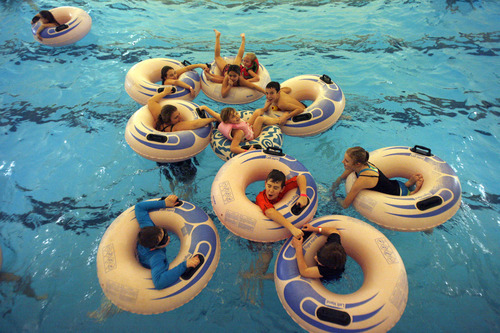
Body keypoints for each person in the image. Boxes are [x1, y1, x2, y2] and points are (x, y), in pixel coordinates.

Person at [135, 195, 200, 290]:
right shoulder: (156, 258)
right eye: (164, 239)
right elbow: (159, 283)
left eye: (164, 231)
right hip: (146, 263)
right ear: (154, 248)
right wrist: (184, 265)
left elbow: (139, 207)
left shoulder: (147, 227)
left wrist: (164, 203)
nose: (168, 237)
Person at [333, 146, 424, 208]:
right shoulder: (361, 165)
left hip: (399, 196)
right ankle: (407, 184)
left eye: (346, 161)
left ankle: (413, 193)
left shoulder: (363, 179)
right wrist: (333, 187)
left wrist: (335, 198)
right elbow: (341, 178)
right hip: (396, 184)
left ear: (357, 164)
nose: (342, 162)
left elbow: (345, 205)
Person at [203, 30, 265, 98]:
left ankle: (243, 40)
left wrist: (266, 93)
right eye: (231, 76)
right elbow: (223, 95)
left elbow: (254, 86)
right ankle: (217, 37)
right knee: (218, 57)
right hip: (227, 69)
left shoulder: (241, 80)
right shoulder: (227, 77)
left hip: (234, 68)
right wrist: (229, 86)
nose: (232, 78)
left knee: (237, 57)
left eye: (234, 76)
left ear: (239, 75)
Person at [199, 105, 277, 155]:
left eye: (236, 113)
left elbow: (216, 115)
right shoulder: (238, 133)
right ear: (227, 121)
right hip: (252, 135)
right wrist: (247, 152)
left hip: (247, 126)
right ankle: (279, 120)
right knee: (260, 119)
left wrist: (205, 108)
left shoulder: (228, 121)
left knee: (257, 112)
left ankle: (266, 107)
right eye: (233, 116)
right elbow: (233, 148)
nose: (237, 116)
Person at [255, 169, 309, 239]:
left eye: (275, 187)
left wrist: (303, 195)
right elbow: (270, 212)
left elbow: (301, 177)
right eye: (269, 186)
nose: (271, 190)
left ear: (282, 189)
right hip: (260, 224)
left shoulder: (285, 188)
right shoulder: (261, 197)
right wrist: (292, 228)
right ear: (265, 184)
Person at [147, 88, 218, 132]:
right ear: (168, 121)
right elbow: (195, 124)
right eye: (176, 117)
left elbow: (151, 101)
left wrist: (164, 93)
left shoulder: (159, 117)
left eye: (178, 114)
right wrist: (213, 119)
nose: (180, 117)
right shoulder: (175, 127)